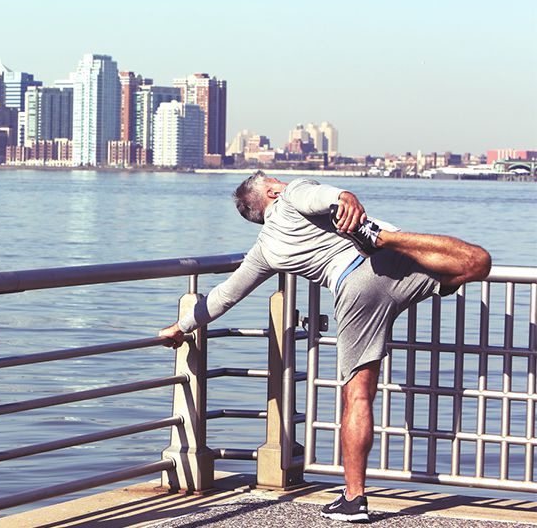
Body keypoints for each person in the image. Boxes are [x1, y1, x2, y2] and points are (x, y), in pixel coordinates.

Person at [157, 171, 490, 523]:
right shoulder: (293, 192)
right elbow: (322, 197)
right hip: (391, 264)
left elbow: (224, 296)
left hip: (355, 290)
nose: (282, 183)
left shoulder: (265, 251)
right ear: (271, 191)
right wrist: (344, 197)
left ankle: (354, 499)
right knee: (477, 263)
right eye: (275, 181)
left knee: (358, 396)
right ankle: (388, 240)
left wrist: (181, 326)